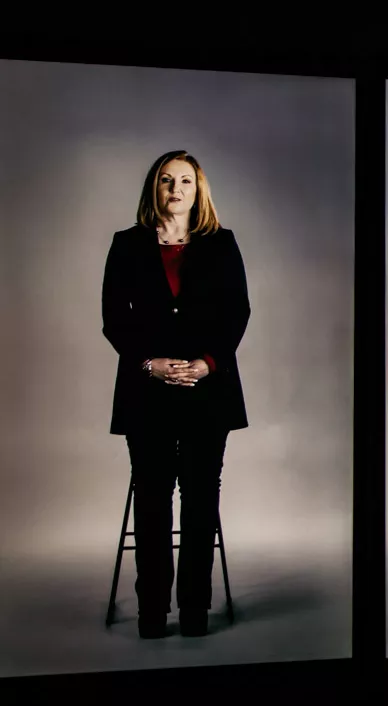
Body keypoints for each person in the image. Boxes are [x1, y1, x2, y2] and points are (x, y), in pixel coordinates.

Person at [102, 150, 251, 639]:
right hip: (147, 392)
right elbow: (114, 319)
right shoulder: (126, 245)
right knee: (152, 499)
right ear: (154, 188)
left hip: (208, 392)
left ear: (198, 190)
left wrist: (206, 364)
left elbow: (237, 313)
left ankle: (193, 609)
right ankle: (151, 611)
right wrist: (151, 363)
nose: (175, 189)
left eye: (185, 181)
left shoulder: (222, 244)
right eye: (166, 180)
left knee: (200, 498)